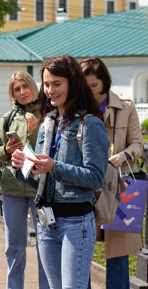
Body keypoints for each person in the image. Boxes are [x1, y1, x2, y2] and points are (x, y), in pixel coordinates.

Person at [12, 54, 109, 288]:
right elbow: (41, 180)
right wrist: (22, 166)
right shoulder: (48, 122)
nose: (50, 90)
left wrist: (55, 167)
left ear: (72, 83)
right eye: (46, 84)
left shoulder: (90, 124)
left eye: (57, 83)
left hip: (76, 222)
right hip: (46, 222)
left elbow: (96, 178)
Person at [80, 57, 144, 289]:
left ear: (105, 82)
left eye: (94, 86)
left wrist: (123, 156)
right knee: (81, 252)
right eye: (85, 87)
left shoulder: (125, 106)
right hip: (85, 186)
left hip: (119, 188)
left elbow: (137, 143)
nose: (90, 92)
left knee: (118, 256)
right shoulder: (77, 107)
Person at [0, 71, 49, 289]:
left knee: (45, 243)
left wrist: (34, 131)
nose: (23, 92)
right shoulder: (7, 119)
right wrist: (7, 148)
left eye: (25, 86)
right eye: (17, 89)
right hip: (13, 187)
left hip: (40, 187)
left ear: (33, 88)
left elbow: (49, 149)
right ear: (12, 93)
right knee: (14, 245)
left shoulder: (48, 114)